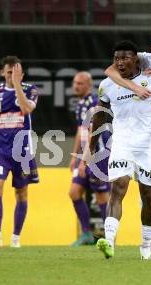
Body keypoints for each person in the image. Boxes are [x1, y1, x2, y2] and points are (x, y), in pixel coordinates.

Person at [89, 40, 151, 260]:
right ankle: (109, 241)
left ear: (135, 59)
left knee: (147, 195)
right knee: (118, 187)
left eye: (125, 58)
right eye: (117, 58)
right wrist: (92, 143)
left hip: (147, 145)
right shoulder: (107, 85)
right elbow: (100, 115)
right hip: (122, 144)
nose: (120, 62)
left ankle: (146, 243)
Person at [0, 56, 39, 248]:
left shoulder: (30, 90)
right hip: (0, 148)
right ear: (2, 73)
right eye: (9, 72)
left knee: (21, 193)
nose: (12, 75)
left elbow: (27, 109)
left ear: (21, 74)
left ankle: (15, 238)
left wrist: (18, 86)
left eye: (16, 72)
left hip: (22, 150)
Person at [68, 72, 111, 246]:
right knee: (74, 192)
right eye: (74, 83)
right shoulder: (80, 105)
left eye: (79, 83)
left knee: (101, 196)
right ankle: (86, 234)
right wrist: (75, 156)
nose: (75, 86)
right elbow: (81, 131)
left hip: (98, 155)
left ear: (88, 85)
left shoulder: (94, 102)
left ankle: (109, 236)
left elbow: (93, 132)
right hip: (85, 155)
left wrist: (85, 160)